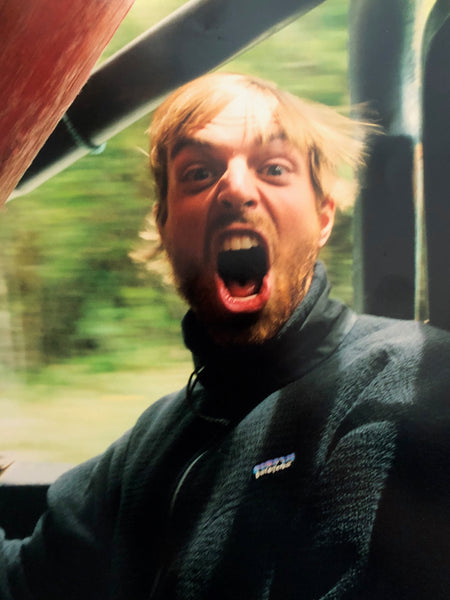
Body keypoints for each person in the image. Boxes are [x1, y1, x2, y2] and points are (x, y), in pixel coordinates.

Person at [1, 71, 450, 600]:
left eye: (274, 168)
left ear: (323, 216)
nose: (235, 189)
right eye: (199, 172)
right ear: (164, 226)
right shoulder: (150, 445)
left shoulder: (411, 383)